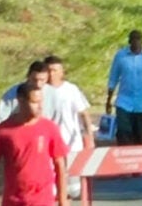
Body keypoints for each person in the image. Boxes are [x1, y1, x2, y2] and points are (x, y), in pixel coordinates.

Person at [0, 84, 69, 206]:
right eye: (35, 102)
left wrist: (62, 200)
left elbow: (60, 165)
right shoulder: (4, 130)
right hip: (13, 200)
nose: (40, 107)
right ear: (21, 101)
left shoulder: (49, 128)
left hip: (42, 199)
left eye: (41, 102)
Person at [45, 56, 95, 199]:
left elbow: (83, 114)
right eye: (49, 70)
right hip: (49, 144)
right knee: (53, 187)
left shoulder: (71, 89)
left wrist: (89, 137)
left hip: (71, 143)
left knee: (73, 188)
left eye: (55, 70)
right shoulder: (41, 90)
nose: (52, 74)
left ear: (62, 72)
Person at [106, 30, 142, 145]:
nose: (136, 42)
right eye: (133, 39)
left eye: (138, 39)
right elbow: (113, 77)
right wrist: (108, 100)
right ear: (129, 41)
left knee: (140, 138)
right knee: (123, 133)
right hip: (123, 103)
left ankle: (139, 161)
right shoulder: (120, 56)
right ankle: (124, 159)